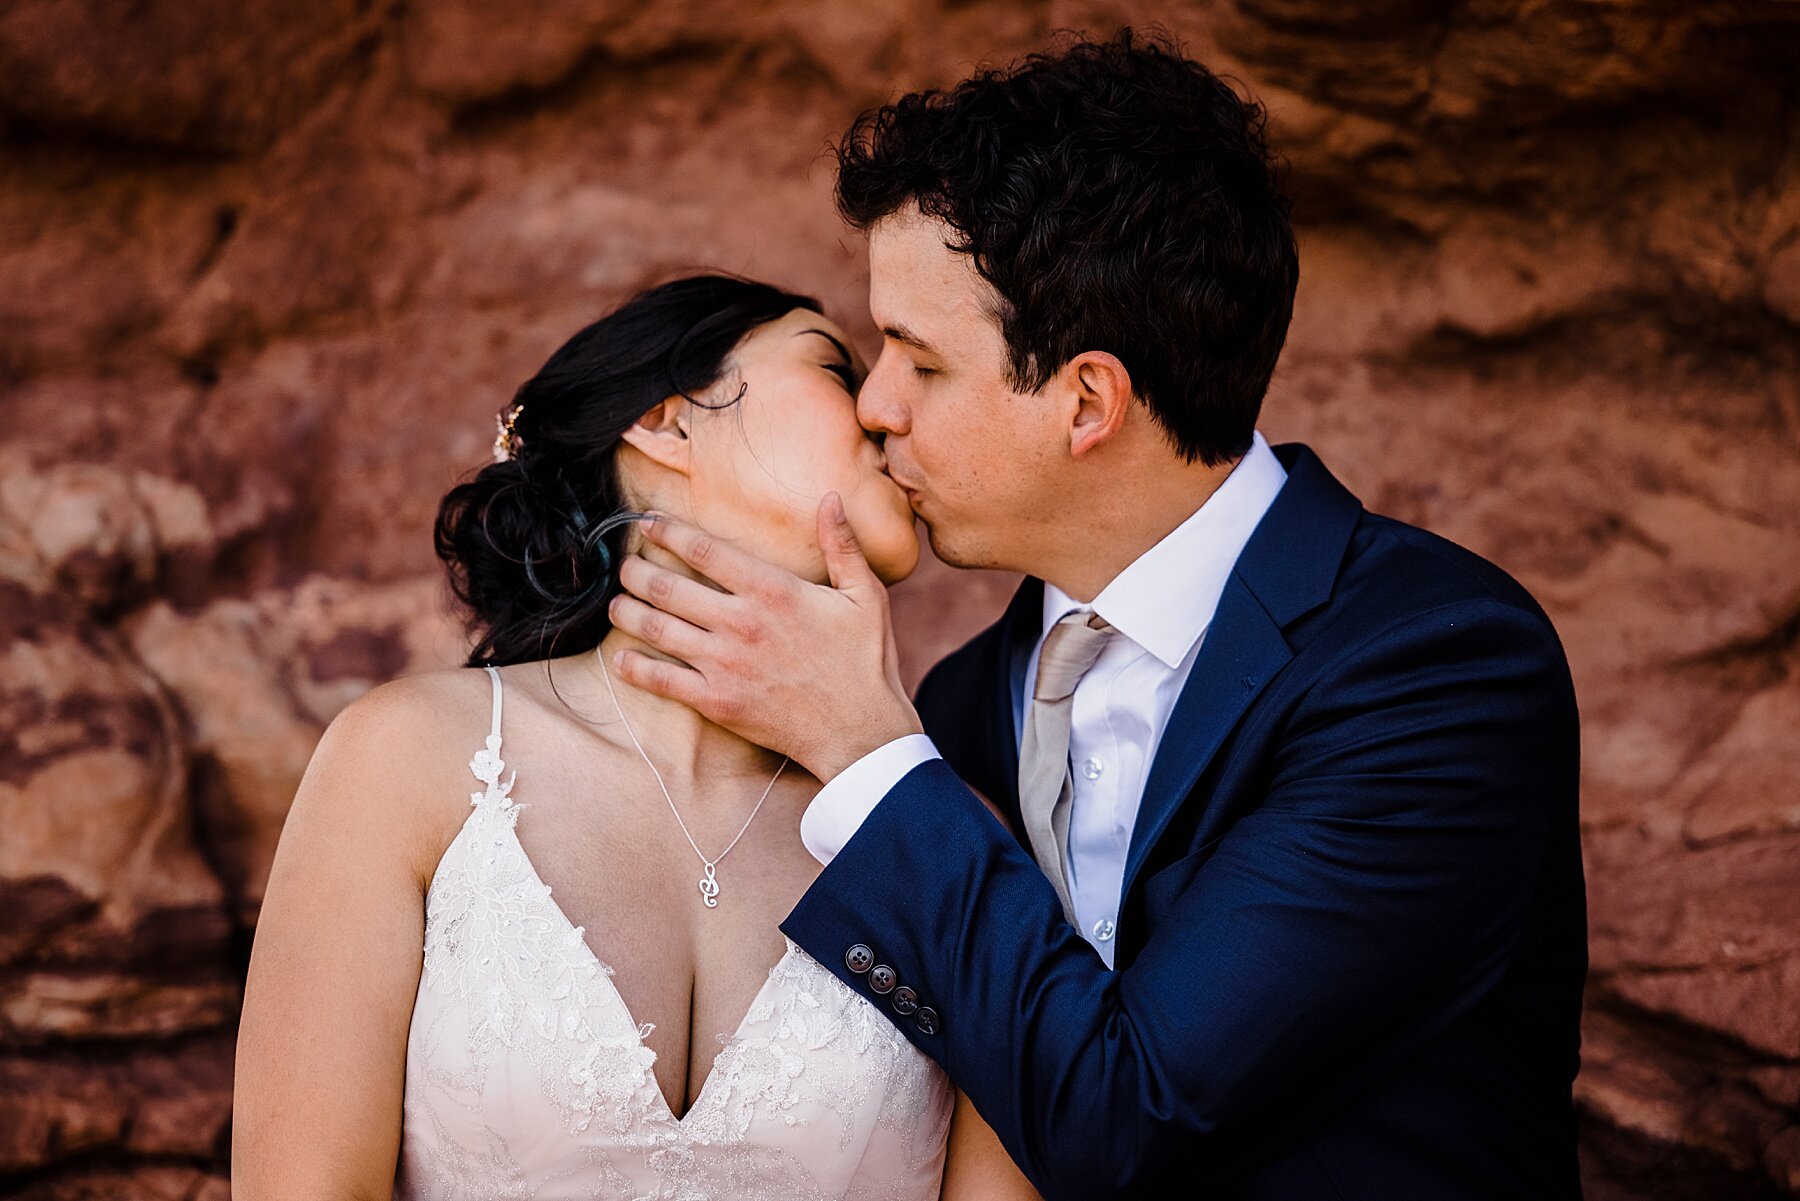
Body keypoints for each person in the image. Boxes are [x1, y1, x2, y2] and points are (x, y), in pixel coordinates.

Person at [606, 31, 1589, 1201]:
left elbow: (1133, 1116)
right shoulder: (968, 707)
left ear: (1086, 401)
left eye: (919, 361)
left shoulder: (1433, 670)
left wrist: (867, 756)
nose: (875, 405)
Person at [231, 274, 1040, 1199]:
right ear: (665, 421)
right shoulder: (406, 761)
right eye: (833, 363)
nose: (881, 408)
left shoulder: (948, 836)